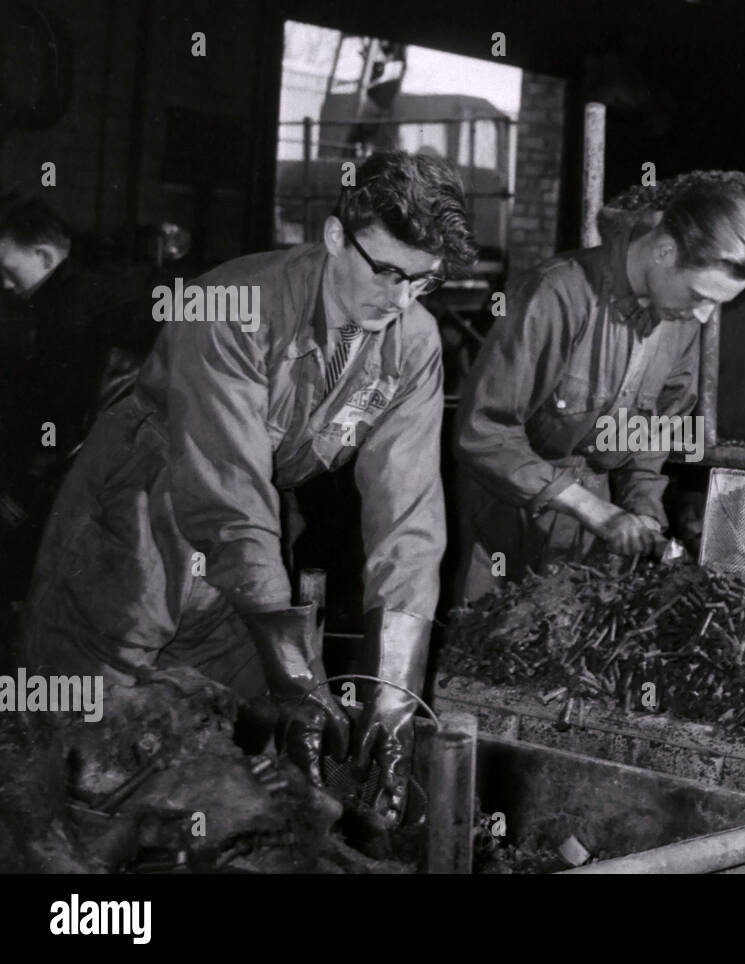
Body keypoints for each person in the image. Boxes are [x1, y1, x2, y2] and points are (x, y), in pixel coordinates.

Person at [20, 151, 477, 823]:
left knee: (235, 757)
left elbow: (408, 514)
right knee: (81, 759)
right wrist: (298, 675)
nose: (400, 299)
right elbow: (227, 487)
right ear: (331, 237)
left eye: (423, 280)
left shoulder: (413, 340)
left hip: (245, 555)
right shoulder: (232, 307)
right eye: (385, 271)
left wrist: (395, 698)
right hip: (135, 526)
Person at [455, 183, 745, 602]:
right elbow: (483, 434)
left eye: (716, 304)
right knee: (485, 647)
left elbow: (654, 438)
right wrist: (595, 511)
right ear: (664, 251)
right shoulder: (557, 295)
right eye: (699, 295)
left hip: (593, 528)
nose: (703, 315)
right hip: (506, 516)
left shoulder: (681, 325)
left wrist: (643, 511)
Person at [0, 196, 140, 604]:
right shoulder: (82, 294)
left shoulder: (66, 312)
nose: (4, 284)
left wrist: (20, 488)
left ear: (43, 256)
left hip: (66, 473)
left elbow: (56, 415)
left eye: (7, 270)